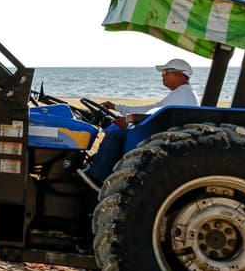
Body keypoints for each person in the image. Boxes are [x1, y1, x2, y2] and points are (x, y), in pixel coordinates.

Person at [78, 58, 199, 189]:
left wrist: (128, 122)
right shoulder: (184, 93)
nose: (162, 75)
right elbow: (153, 110)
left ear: (179, 73)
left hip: (157, 136)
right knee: (114, 131)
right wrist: (117, 107)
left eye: (165, 72)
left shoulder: (183, 94)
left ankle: (96, 178)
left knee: (115, 135)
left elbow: (152, 113)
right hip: (161, 133)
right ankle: (95, 168)